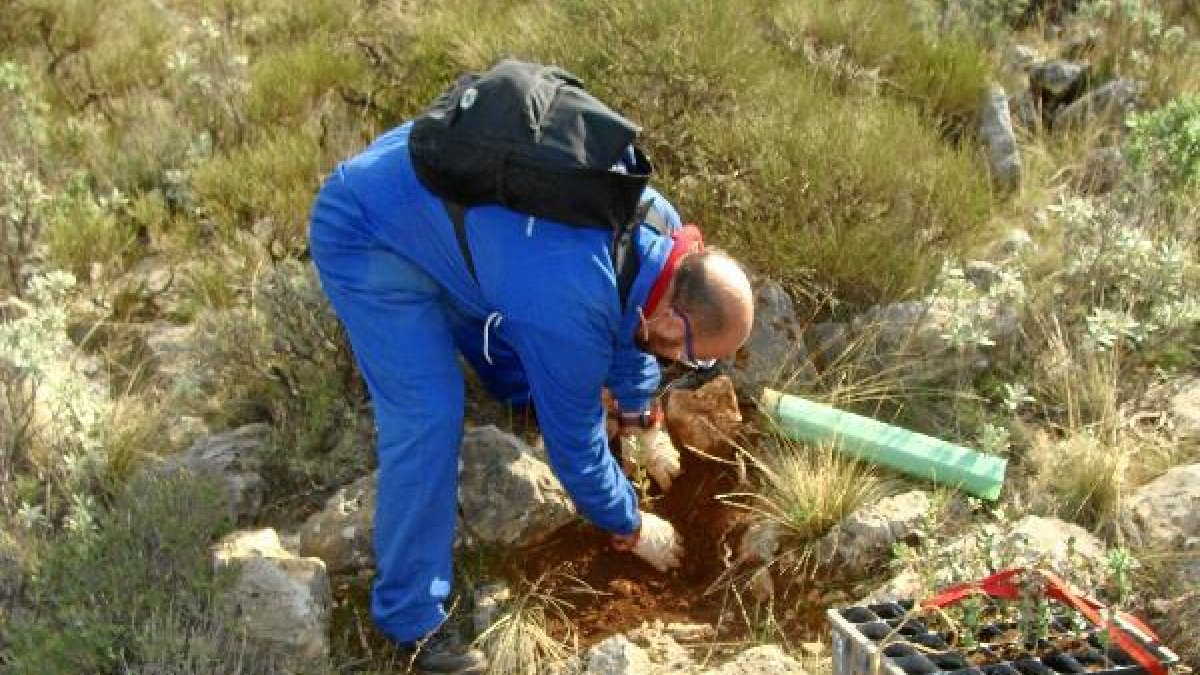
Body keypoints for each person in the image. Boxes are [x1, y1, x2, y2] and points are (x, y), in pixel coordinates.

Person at [308, 120, 754, 673]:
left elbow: (631, 302)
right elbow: (577, 453)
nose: (686, 366)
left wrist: (643, 416)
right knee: (428, 415)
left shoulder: (655, 222)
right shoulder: (570, 298)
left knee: (533, 356)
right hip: (369, 228)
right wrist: (631, 525)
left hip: (447, 211)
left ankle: (525, 385)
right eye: (692, 355)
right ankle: (411, 622)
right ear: (674, 312)